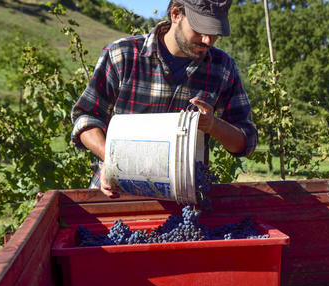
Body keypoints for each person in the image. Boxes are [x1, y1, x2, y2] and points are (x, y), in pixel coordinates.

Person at [71, 0, 258, 198]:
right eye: (201, 29)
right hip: (117, 194)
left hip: (183, 204)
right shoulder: (122, 55)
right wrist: (112, 162)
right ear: (176, 14)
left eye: (215, 32)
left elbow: (246, 141)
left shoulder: (223, 67)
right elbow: (86, 118)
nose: (208, 40)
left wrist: (213, 125)